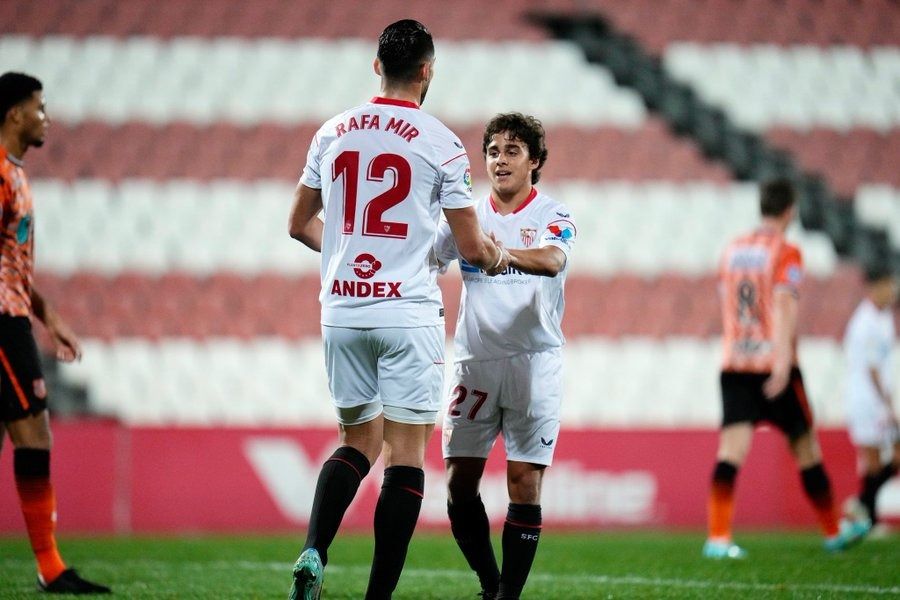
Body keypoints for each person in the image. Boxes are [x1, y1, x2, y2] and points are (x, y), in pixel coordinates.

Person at [286, 20, 508, 600]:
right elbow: (469, 246)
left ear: (375, 64)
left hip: (342, 310)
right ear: (428, 71)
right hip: (406, 312)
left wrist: (344, 254)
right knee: (405, 455)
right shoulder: (440, 141)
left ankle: (314, 547)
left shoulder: (331, 132)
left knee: (356, 442)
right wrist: (501, 256)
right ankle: (377, 597)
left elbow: (296, 224)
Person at [434, 113, 575, 600]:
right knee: (458, 484)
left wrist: (503, 255)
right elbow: (428, 260)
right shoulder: (465, 218)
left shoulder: (555, 215)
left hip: (534, 362)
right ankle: (489, 583)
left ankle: (507, 595)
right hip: (475, 362)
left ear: (535, 161)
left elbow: (554, 259)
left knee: (523, 482)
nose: (500, 160)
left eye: (513, 151)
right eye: (493, 151)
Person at [702, 179, 870, 559]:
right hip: (773, 365)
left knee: (730, 452)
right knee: (806, 448)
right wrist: (781, 365)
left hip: (735, 363)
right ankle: (832, 531)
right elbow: (784, 304)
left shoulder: (733, 250)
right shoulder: (786, 251)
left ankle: (717, 538)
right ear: (790, 210)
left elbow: (726, 300)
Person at [0, 72, 111, 594]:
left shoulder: (15, 174)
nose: (46, 117)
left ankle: (50, 568)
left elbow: (13, 265)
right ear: (15, 113)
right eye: (39, 107)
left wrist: (51, 317)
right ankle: (50, 567)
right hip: (2, 323)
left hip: (17, 314)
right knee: (34, 432)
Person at [843, 267, 897, 532]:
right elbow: (873, 368)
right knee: (874, 460)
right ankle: (869, 517)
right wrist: (888, 403)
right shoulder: (864, 322)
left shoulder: (883, 317)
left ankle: (861, 505)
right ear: (874, 288)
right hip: (866, 399)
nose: (892, 292)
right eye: (888, 286)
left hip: (878, 398)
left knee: (889, 457)